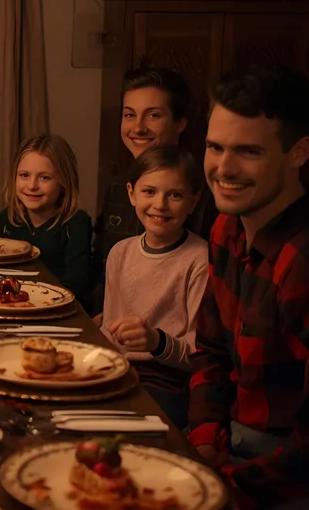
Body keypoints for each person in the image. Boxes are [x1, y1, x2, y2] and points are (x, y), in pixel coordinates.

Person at [189, 65, 309, 508]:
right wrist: (204, 440)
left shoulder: (307, 260)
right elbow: (211, 350)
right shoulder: (226, 227)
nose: (223, 168)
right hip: (229, 442)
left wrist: (231, 488)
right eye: (214, 147)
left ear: (299, 152)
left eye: (248, 151)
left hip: (289, 473)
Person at [89, 66, 215, 314]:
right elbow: (102, 270)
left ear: (180, 123)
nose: (138, 128)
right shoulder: (118, 186)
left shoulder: (203, 193)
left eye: (153, 115)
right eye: (129, 115)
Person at [98, 146, 208, 428]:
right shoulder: (120, 253)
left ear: (193, 202)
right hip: (115, 370)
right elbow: (109, 330)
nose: (160, 204)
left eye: (175, 195)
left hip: (167, 382)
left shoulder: (199, 259)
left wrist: (156, 342)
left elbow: (200, 356)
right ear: (131, 193)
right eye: (149, 192)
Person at [0, 134, 92, 297]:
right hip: (9, 301)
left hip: (54, 307)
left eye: (44, 178)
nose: (32, 186)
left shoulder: (76, 222)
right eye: (24, 175)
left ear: (64, 182)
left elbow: (76, 282)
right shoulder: (11, 216)